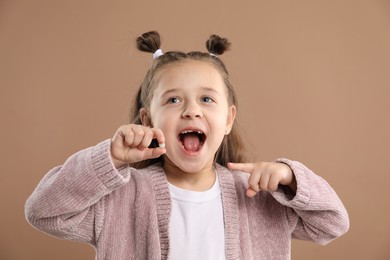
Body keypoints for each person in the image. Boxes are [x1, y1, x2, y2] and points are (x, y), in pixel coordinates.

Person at [25, 31, 349, 260]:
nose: (191, 110)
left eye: (207, 99)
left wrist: (292, 178)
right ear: (147, 121)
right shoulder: (122, 197)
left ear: (227, 120)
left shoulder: (257, 197)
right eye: (173, 99)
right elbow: (44, 212)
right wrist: (108, 158)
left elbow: (332, 224)